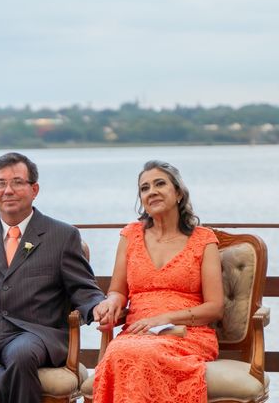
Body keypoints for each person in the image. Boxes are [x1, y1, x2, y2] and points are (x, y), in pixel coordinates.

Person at [0, 152, 108, 403]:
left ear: (34, 189)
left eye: (17, 182)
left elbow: (84, 289)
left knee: (20, 356)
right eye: (0, 183)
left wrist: (98, 306)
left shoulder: (63, 236)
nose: (8, 190)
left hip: (36, 335)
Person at [91, 160, 224, 403]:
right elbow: (118, 291)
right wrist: (111, 302)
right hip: (137, 331)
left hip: (186, 333)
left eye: (159, 184)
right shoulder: (130, 235)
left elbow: (215, 307)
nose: (151, 191)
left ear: (179, 193)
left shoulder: (203, 239)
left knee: (143, 353)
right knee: (120, 351)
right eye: (144, 188)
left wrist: (166, 318)